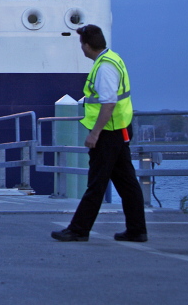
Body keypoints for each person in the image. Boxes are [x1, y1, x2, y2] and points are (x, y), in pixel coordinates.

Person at [52, 24, 147, 243]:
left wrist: (94, 134)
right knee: (127, 183)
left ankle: (78, 229)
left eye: (81, 45)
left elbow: (108, 103)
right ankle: (137, 229)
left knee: (96, 183)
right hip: (119, 130)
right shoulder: (113, 58)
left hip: (108, 133)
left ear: (87, 45)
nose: (81, 49)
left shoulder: (104, 68)